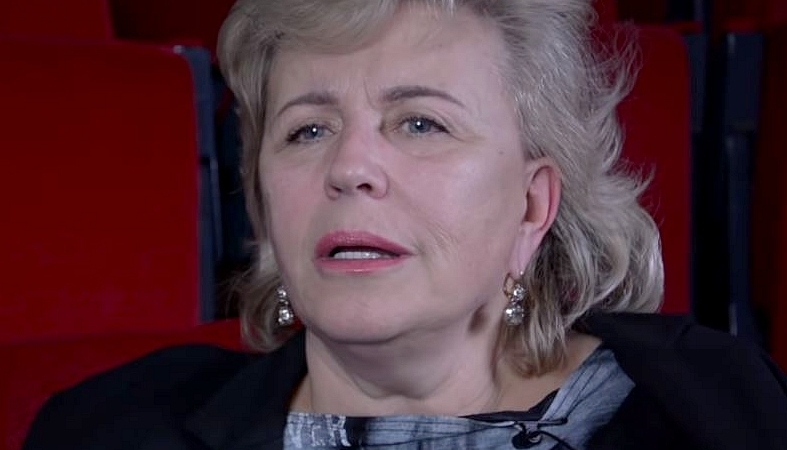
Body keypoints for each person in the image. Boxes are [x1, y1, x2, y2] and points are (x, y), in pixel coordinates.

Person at [23, 0, 787, 449]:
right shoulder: (102, 430)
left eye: (420, 123)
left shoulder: (722, 412)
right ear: (261, 204)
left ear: (531, 206)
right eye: (307, 130)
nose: (349, 167)